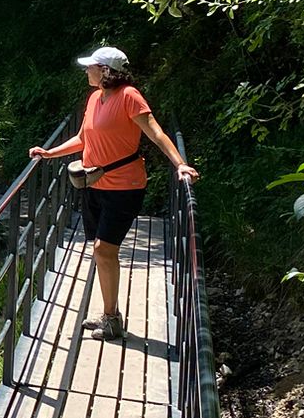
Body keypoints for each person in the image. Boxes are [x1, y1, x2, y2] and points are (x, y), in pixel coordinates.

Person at [29, 45, 198, 340]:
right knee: (102, 251)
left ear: (106, 71)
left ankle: (111, 320)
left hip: (124, 187)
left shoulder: (129, 96)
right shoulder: (95, 97)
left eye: (91, 67)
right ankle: (110, 312)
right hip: (94, 184)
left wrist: (180, 164)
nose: (87, 71)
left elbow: (156, 133)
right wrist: (49, 153)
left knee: (103, 250)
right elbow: (83, 138)